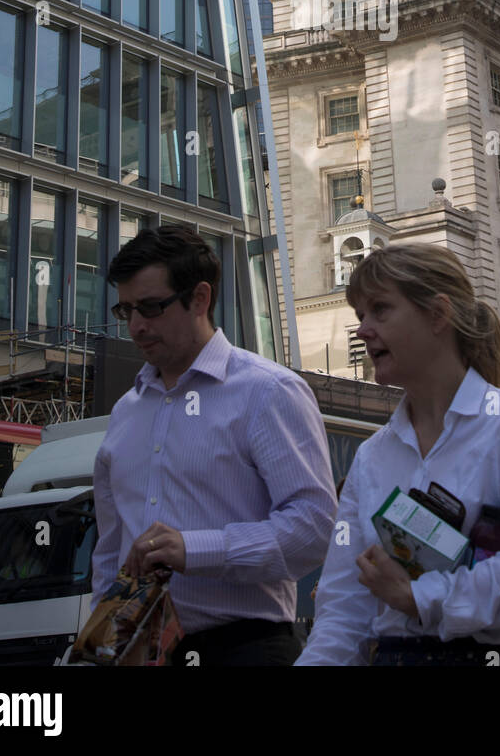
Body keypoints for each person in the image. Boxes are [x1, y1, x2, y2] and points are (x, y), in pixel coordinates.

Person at [295, 243, 500, 666]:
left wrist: (419, 598)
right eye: (360, 316)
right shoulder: (372, 457)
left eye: (380, 309)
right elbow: (342, 610)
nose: (363, 330)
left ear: (438, 315)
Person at [92, 224, 338, 667]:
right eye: (124, 309)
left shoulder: (268, 392)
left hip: (245, 649)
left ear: (200, 299)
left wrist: (197, 549)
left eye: (150, 307)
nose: (135, 326)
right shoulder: (125, 414)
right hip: (138, 650)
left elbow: (314, 529)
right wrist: (101, 640)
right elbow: (110, 551)